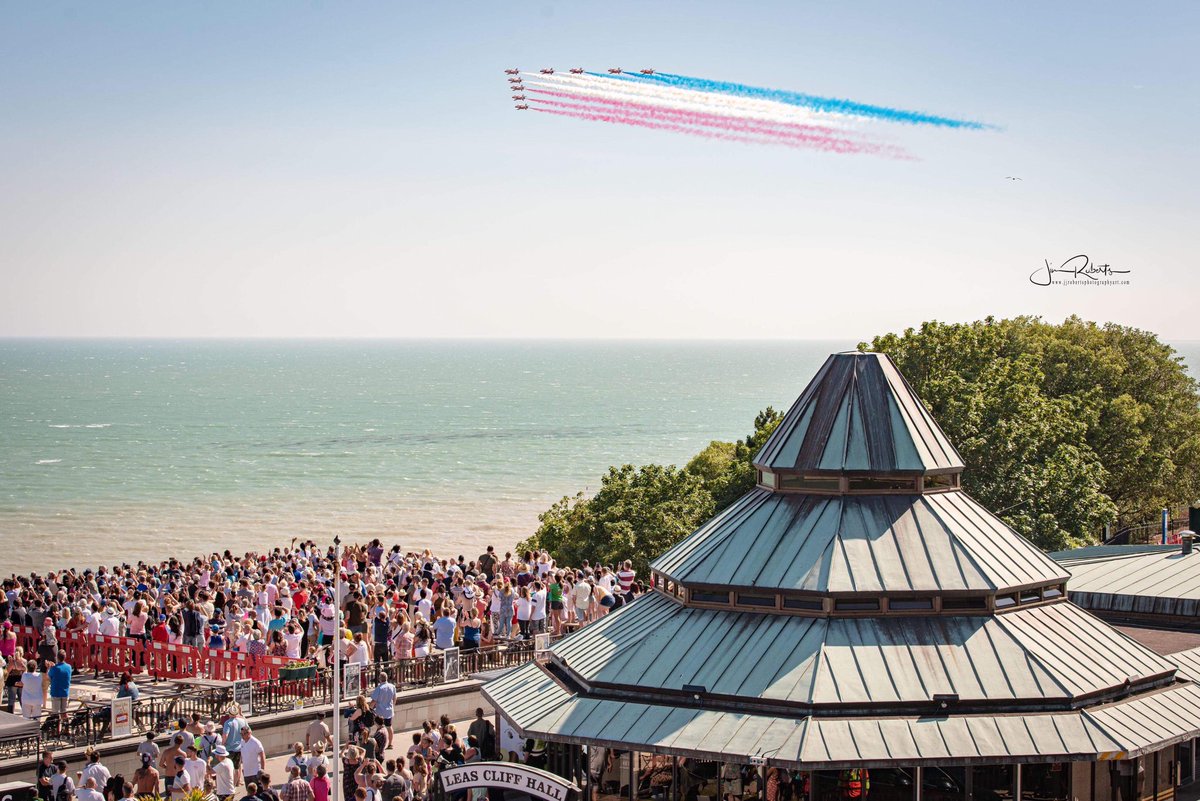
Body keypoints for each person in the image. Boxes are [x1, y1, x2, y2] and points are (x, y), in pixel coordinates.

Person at [370, 672, 397, 751]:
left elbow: (373, 701)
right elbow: (395, 698)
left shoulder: (379, 688)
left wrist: (368, 709)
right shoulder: (392, 686)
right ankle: (390, 743)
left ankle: (379, 744)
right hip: (389, 711)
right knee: (389, 727)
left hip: (380, 712)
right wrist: (392, 706)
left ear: (379, 679)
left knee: (379, 728)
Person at [48, 653, 72, 722]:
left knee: (56, 713)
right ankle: (66, 727)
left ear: (57, 658)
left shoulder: (54, 668)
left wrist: (49, 668)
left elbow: (49, 678)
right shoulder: (69, 667)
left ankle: (57, 729)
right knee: (64, 711)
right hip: (65, 691)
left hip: (56, 692)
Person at [240, 726, 266, 790]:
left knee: (259, 792)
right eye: (241, 734)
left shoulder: (256, 742)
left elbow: (262, 755)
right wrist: (242, 768)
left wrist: (262, 770)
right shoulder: (242, 742)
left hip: (256, 772)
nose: (242, 736)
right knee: (249, 792)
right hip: (247, 773)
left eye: (244, 734)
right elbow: (243, 756)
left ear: (249, 733)